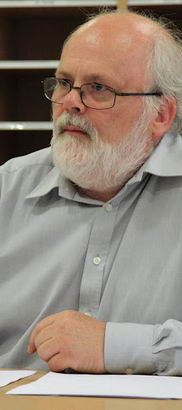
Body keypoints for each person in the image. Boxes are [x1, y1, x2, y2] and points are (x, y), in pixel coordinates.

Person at [1, 8, 182, 376]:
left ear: (160, 114)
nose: (70, 102)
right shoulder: (7, 190)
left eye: (99, 88)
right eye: (64, 82)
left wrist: (112, 345)